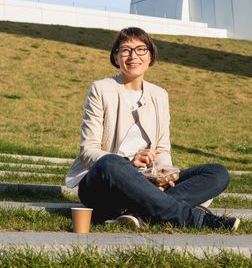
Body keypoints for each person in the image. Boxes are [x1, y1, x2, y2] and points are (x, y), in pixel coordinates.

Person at [66, 27, 240, 230]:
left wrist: (163, 174)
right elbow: (88, 151)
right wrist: (129, 163)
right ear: (116, 57)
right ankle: (194, 218)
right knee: (111, 163)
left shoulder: (159, 95)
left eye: (141, 49)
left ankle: (138, 213)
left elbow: (163, 150)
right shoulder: (101, 89)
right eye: (125, 50)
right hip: (106, 182)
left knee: (217, 173)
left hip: (148, 180)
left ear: (150, 56)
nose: (133, 56)